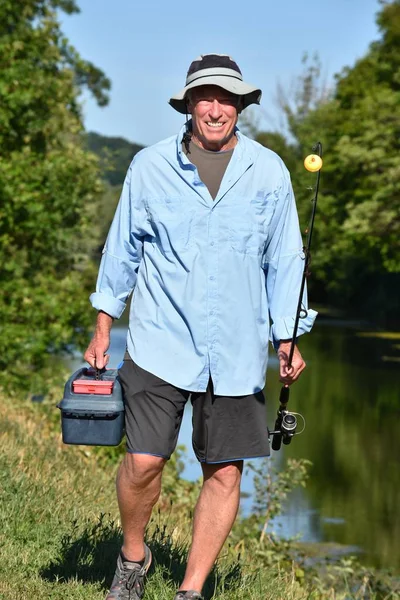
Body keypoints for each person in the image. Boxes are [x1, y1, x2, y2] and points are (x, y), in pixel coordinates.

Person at [84, 53, 317, 600]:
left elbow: (286, 260)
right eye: (205, 98)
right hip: (160, 339)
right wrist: (103, 323)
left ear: (241, 106)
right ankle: (133, 559)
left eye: (227, 99)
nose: (216, 109)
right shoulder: (148, 167)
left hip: (236, 349)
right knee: (143, 463)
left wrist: (289, 334)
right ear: (188, 105)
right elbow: (123, 250)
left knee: (225, 473)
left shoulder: (270, 172)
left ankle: (190, 590)